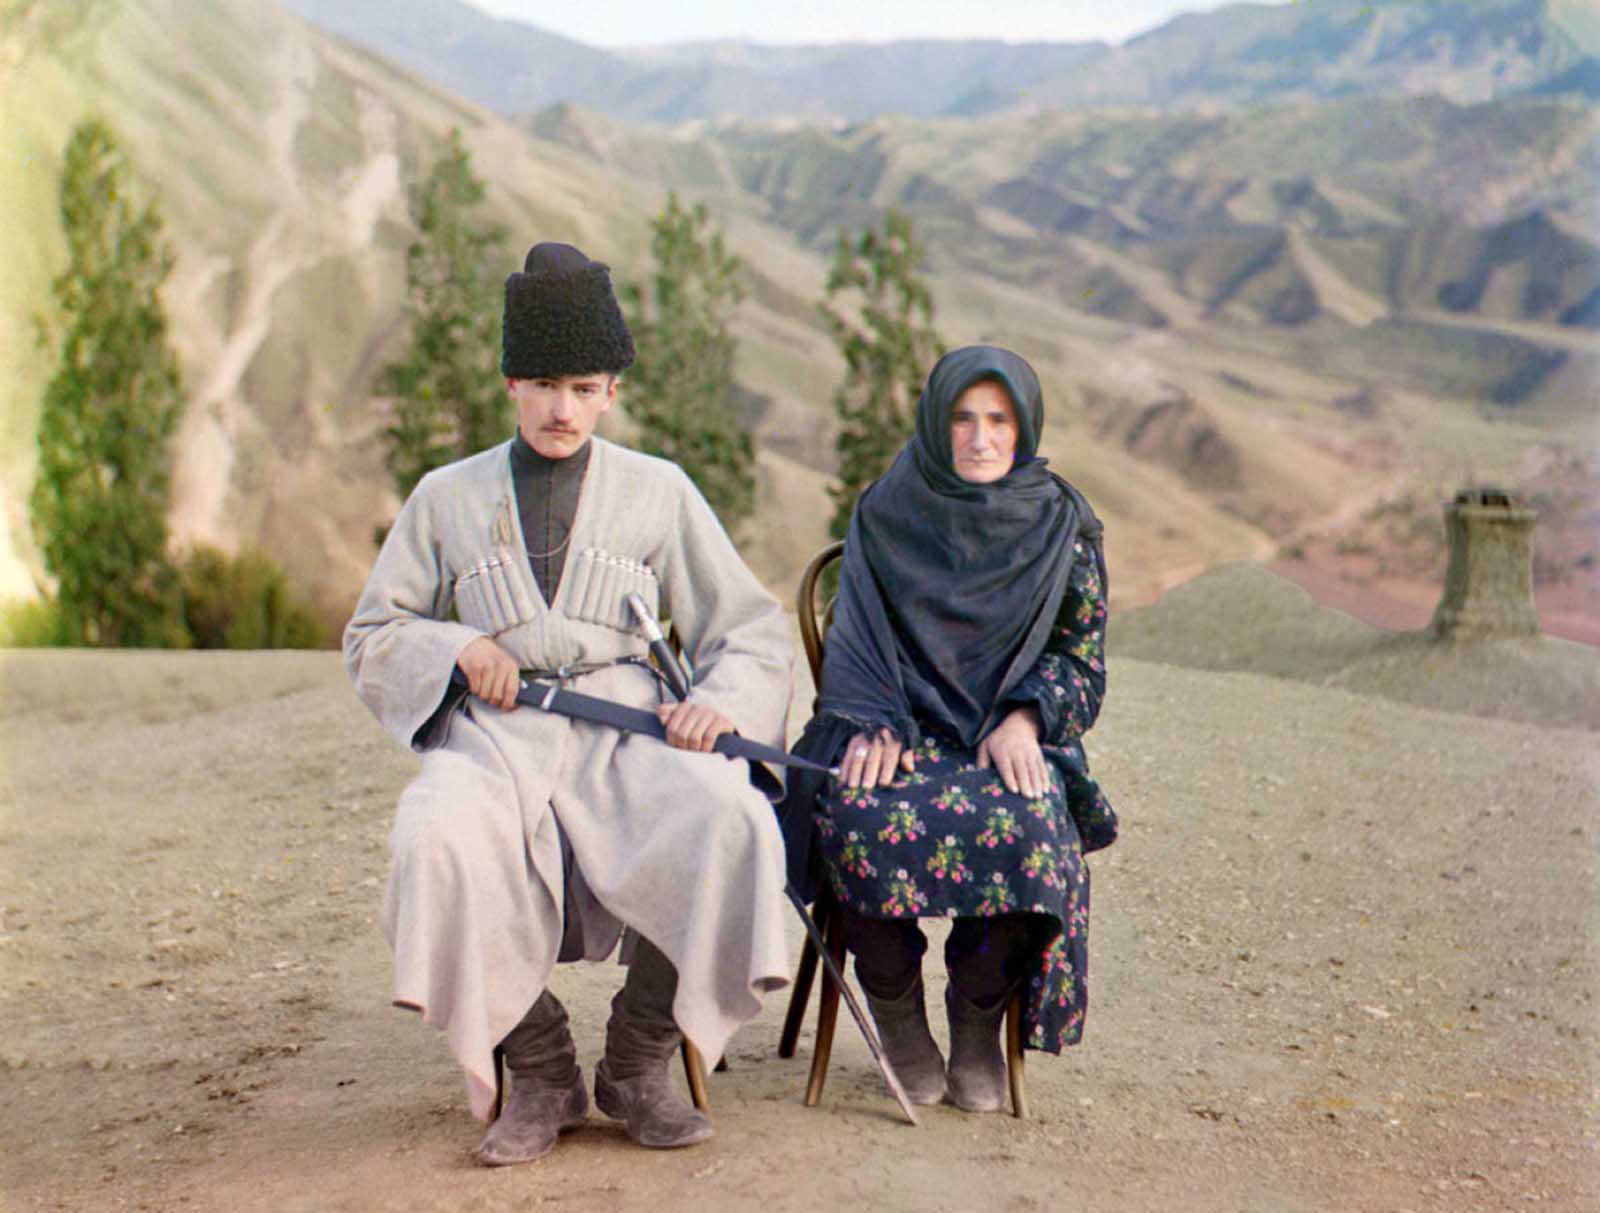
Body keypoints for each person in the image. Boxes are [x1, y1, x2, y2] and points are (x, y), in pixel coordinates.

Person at [344, 241, 794, 1165]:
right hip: (496, 739)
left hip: (628, 728)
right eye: (544, 383)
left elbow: (749, 630)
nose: (562, 408)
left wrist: (717, 707)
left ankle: (638, 1057)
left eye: (584, 387)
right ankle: (540, 1061)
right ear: (511, 382)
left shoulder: (659, 491)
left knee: (732, 816)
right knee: (430, 834)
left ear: (611, 393)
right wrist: (456, 646)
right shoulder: (445, 497)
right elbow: (373, 633)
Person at [782, 344, 1117, 1113]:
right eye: (963, 418)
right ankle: (896, 1010)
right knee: (858, 809)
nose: (980, 437)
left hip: (1005, 735)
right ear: (938, 424)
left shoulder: (1063, 526)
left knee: (1032, 826)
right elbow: (856, 634)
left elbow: (1082, 661)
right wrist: (868, 720)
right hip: (897, 727)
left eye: (999, 419)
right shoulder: (889, 508)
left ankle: (976, 1013)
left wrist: (1028, 716)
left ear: (1024, 426)